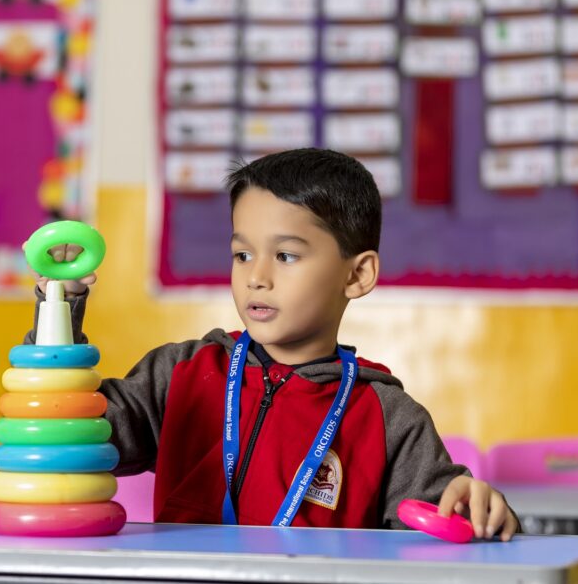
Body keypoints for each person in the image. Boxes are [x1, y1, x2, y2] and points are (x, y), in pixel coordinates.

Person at [26, 148, 518, 540]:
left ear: (358, 273)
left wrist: (476, 508)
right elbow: (67, 431)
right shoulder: (182, 372)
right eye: (242, 253)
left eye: (285, 255)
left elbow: (440, 523)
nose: (256, 277)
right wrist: (57, 308)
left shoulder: (388, 416)